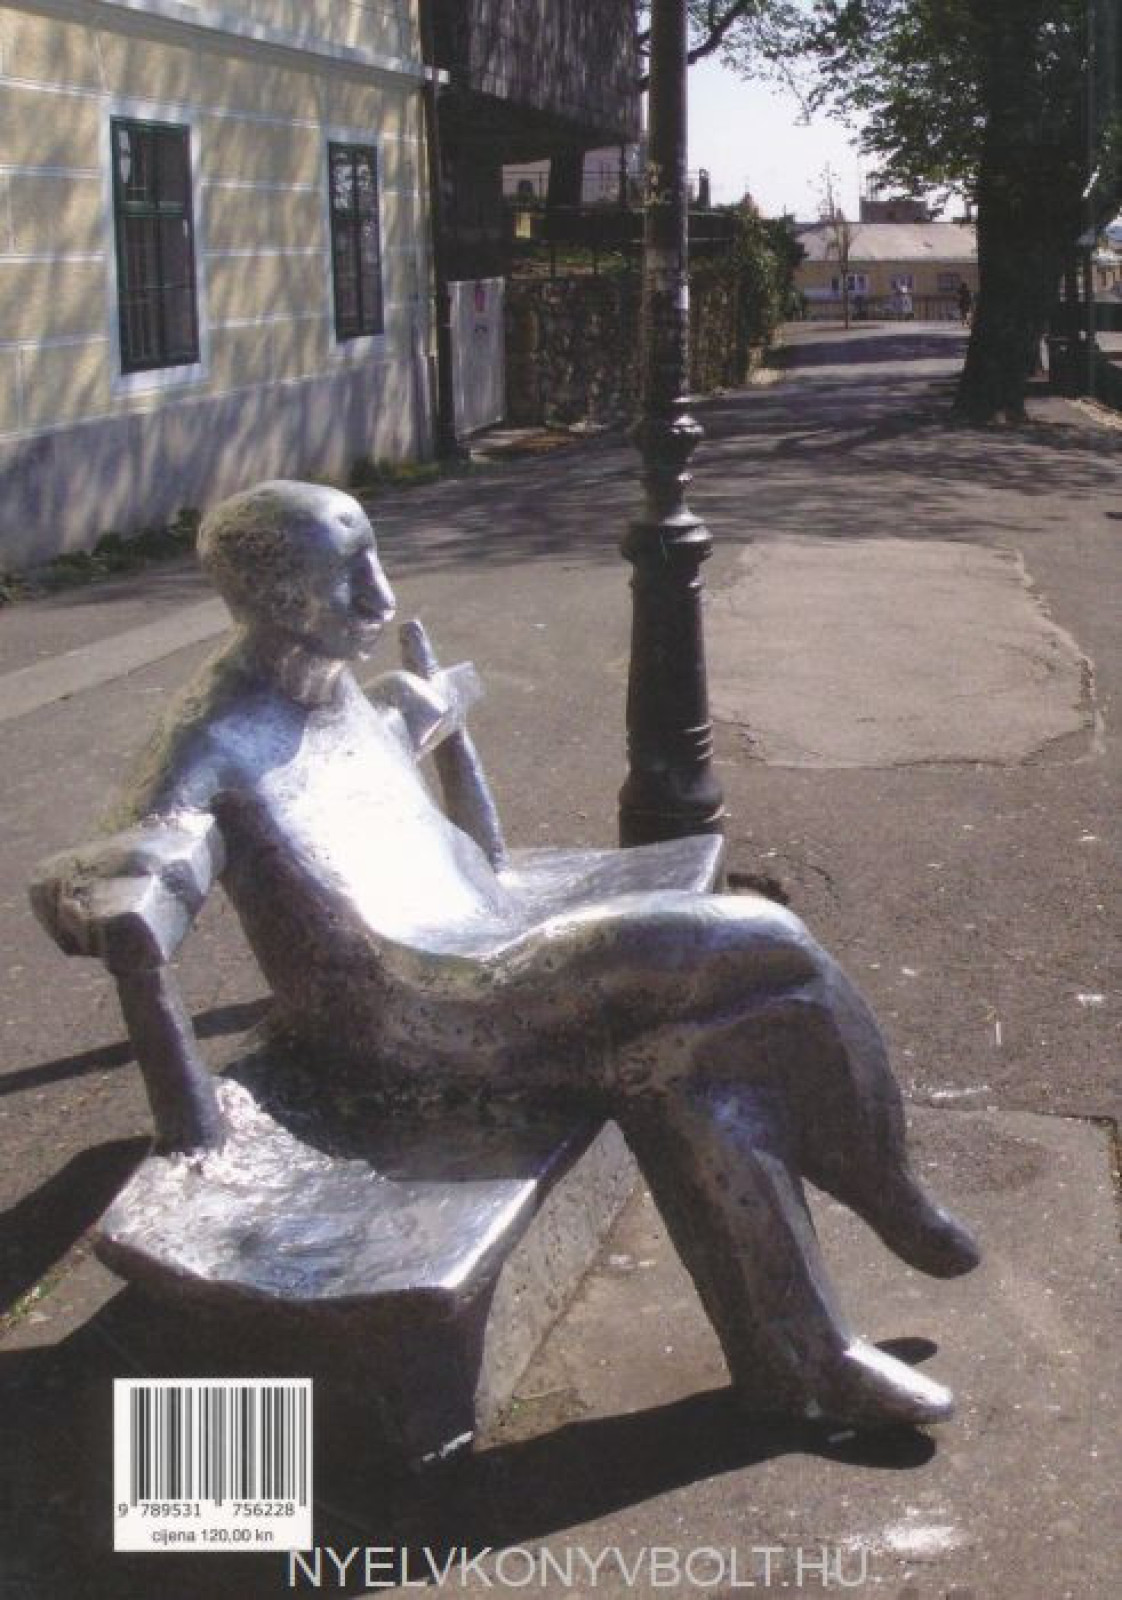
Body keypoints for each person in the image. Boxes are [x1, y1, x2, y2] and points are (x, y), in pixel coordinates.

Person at [113, 481, 980, 1430]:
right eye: (345, 575)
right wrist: (120, 887)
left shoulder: (330, 679)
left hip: (486, 958)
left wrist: (416, 717)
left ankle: (807, 1361)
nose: (380, 597)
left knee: (687, 1062)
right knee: (765, 943)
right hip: (424, 1005)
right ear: (273, 595)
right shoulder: (211, 733)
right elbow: (123, 857)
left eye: (375, 562)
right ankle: (889, 1190)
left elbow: (389, 780)